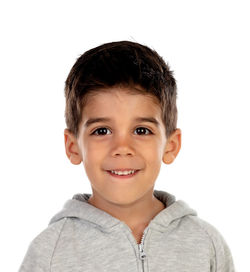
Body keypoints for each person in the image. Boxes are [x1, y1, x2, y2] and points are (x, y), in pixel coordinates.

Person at [19, 41, 235, 272]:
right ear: (73, 147)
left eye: (141, 130)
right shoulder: (50, 251)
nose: (122, 147)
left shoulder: (206, 244)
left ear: (171, 146)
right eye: (102, 131)